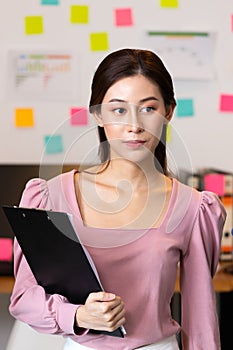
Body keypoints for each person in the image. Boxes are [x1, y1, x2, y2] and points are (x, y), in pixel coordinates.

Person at [9, 48, 226, 350]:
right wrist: (79, 314)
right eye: (119, 110)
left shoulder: (193, 209)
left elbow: (200, 322)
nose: (134, 125)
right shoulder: (49, 197)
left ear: (168, 112)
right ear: (98, 114)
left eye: (148, 108)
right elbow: (23, 298)